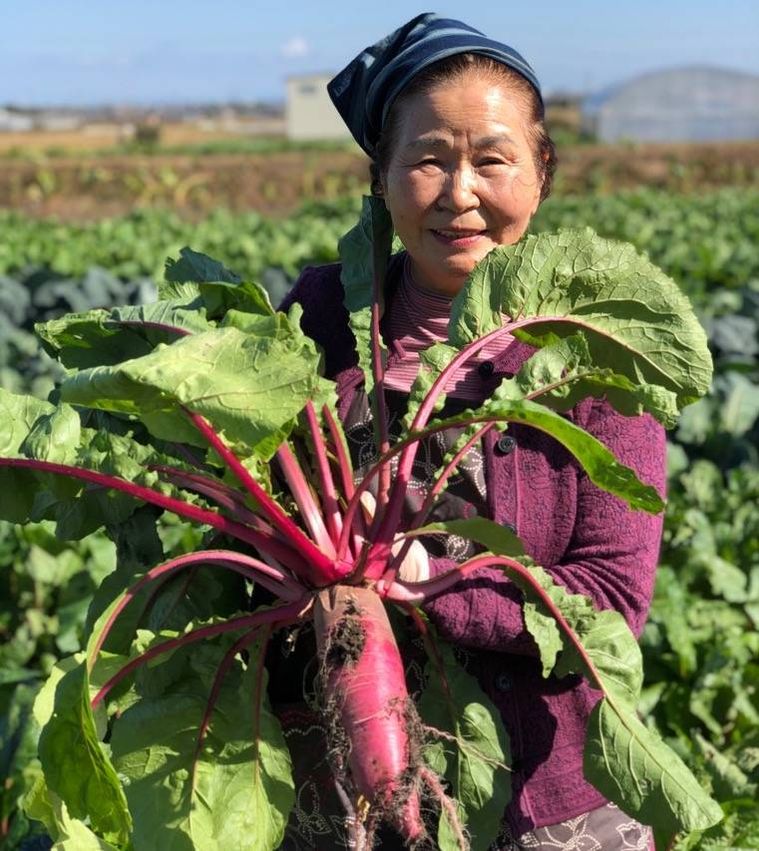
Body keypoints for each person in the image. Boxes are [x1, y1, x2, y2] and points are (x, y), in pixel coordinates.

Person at [273, 13, 665, 851]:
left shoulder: (595, 348)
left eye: (491, 158)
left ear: (539, 172)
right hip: (333, 792)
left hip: (544, 808)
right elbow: (252, 493)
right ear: (380, 176)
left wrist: (429, 576)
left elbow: (610, 601)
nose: (459, 194)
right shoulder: (314, 319)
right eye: (426, 159)